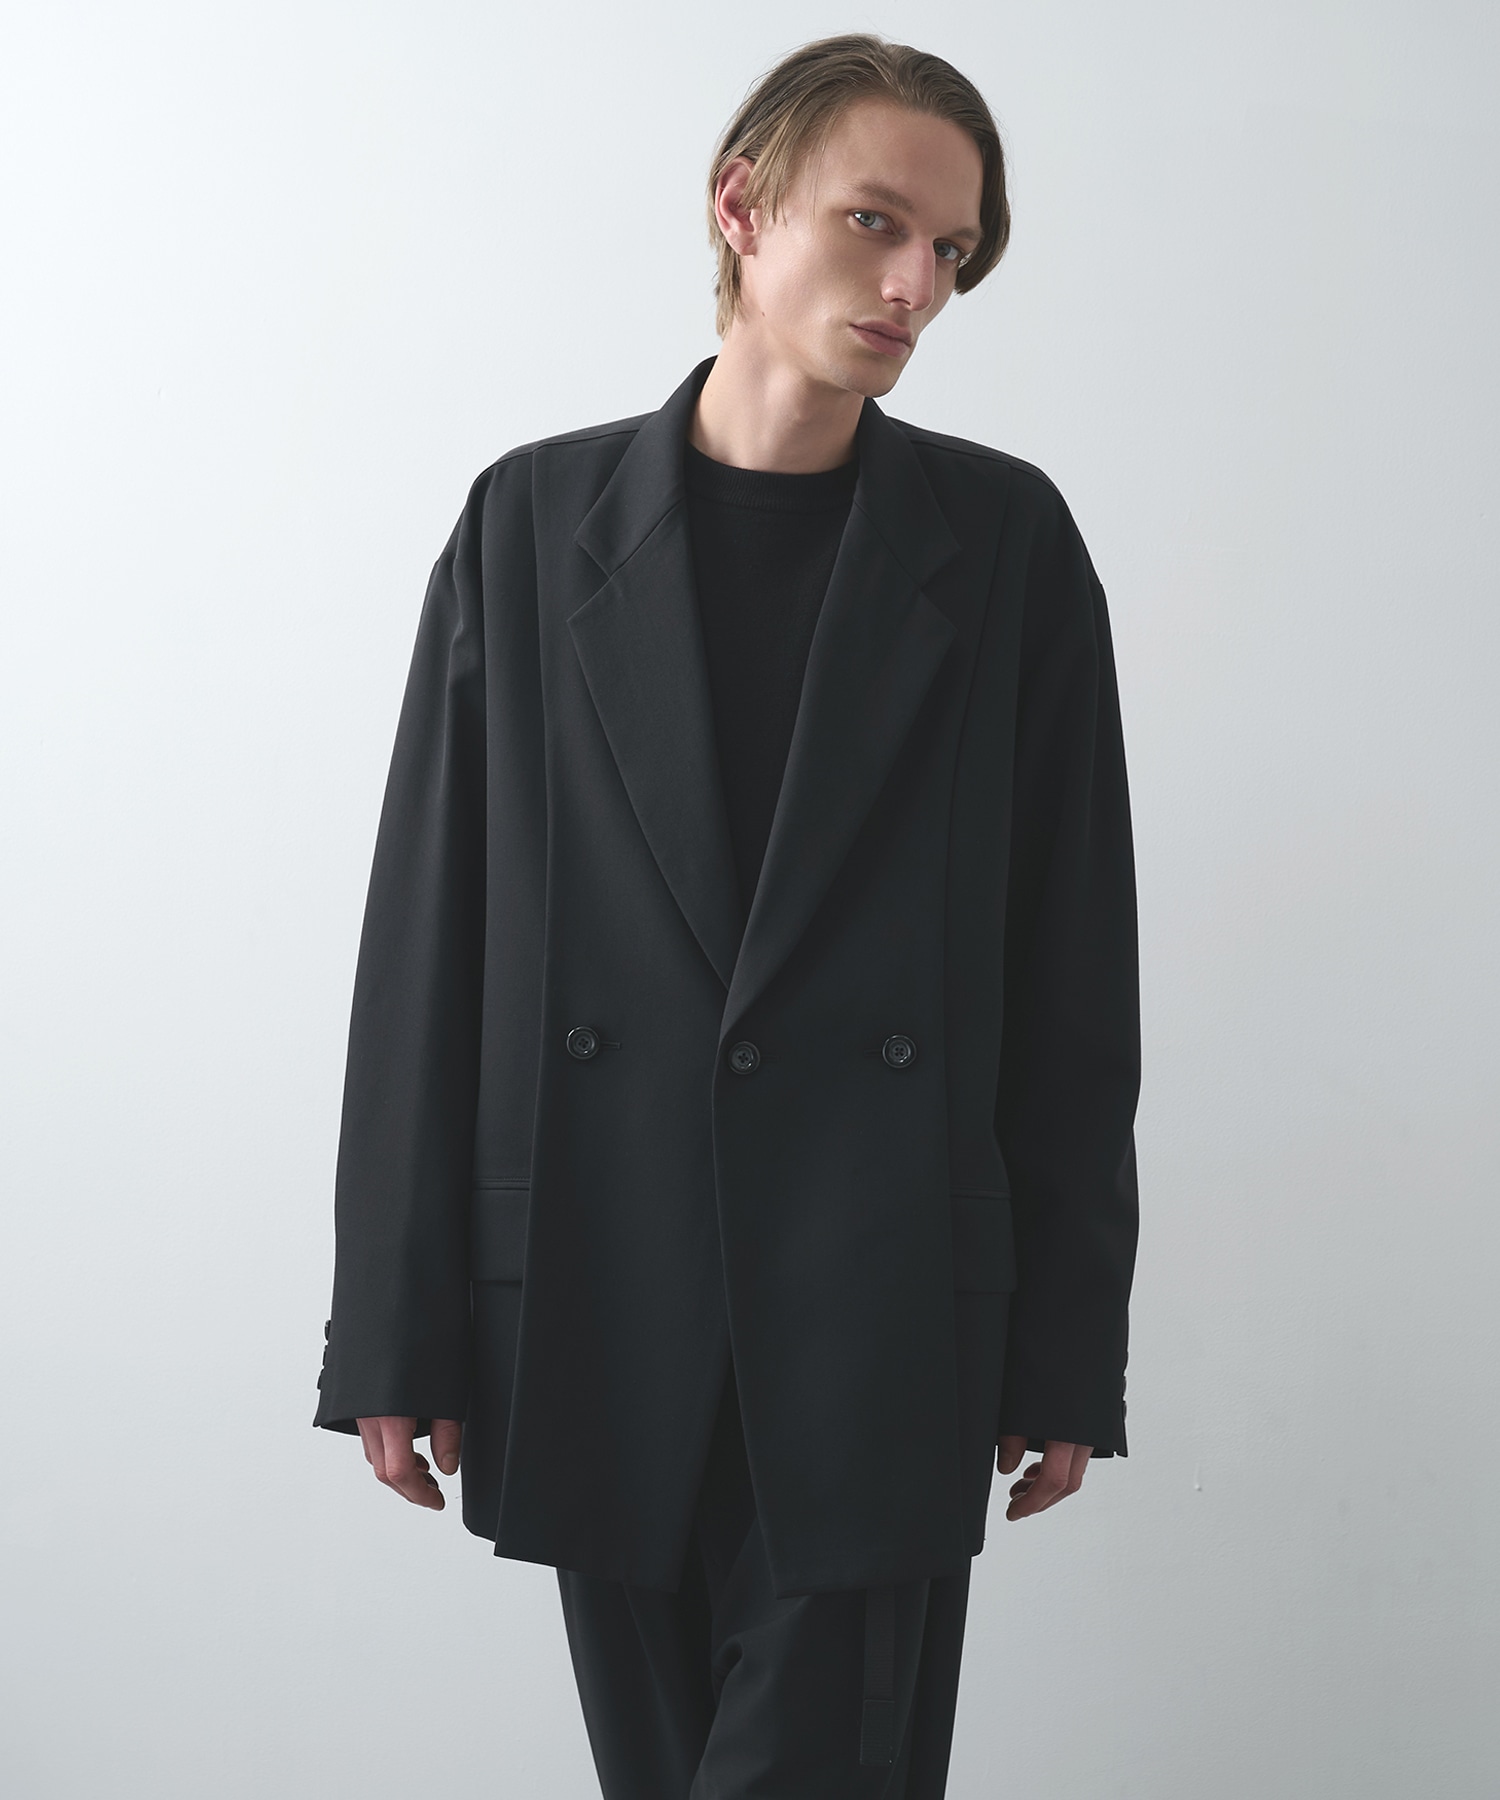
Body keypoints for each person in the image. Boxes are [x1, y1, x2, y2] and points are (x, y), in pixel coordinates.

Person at [313, 31, 1140, 1800]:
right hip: (595, 1295)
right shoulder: (532, 525)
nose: (917, 287)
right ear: (743, 207)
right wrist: (396, 1321)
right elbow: (426, 945)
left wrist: (1067, 1343)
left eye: (952, 252)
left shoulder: (1002, 544)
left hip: (886, 1313)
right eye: (876, 222)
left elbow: (1074, 975)